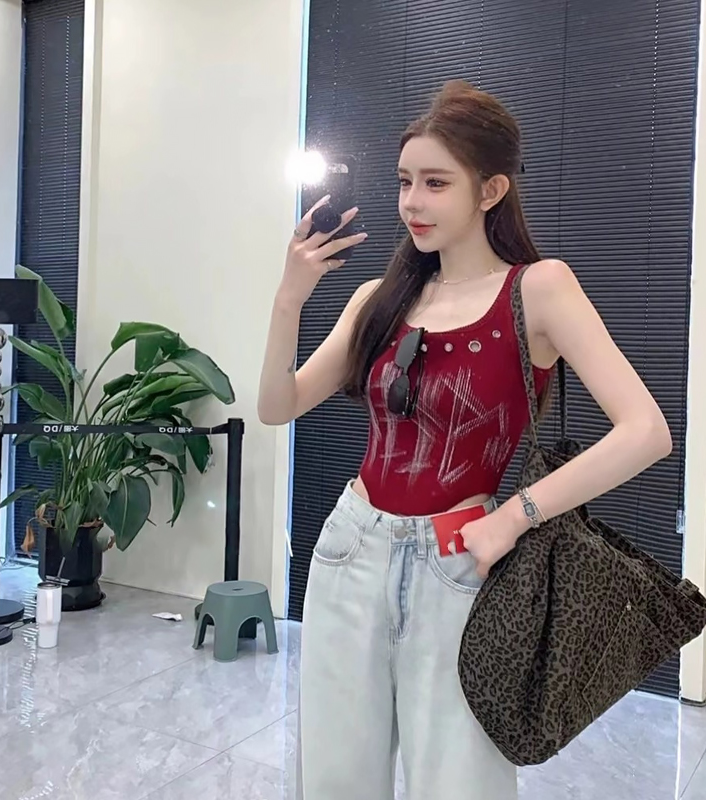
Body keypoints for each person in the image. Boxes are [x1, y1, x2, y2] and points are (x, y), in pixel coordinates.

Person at [257, 81, 672, 800]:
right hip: (353, 548)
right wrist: (289, 297)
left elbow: (647, 432)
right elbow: (277, 406)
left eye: (436, 183)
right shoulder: (378, 299)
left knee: (460, 784)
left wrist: (514, 517)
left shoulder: (539, 290)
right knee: (334, 780)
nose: (412, 202)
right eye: (404, 182)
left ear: (491, 190)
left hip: (460, 562)